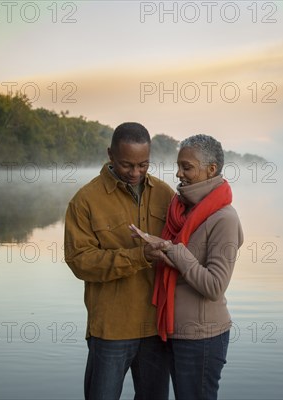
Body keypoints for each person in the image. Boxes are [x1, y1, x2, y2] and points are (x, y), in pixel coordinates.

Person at [64, 122, 175, 400]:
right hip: (111, 328)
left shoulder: (166, 195)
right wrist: (138, 256)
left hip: (156, 327)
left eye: (143, 164)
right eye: (127, 165)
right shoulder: (85, 201)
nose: (135, 172)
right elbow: (80, 261)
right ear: (110, 155)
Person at [144, 134, 244, 400]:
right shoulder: (179, 210)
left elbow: (214, 286)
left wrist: (173, 250)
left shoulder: (224, 219)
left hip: (202, 339)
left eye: (187, 167)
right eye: (178, 166)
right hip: (171, 331)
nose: (179, 173)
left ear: (211, 170)